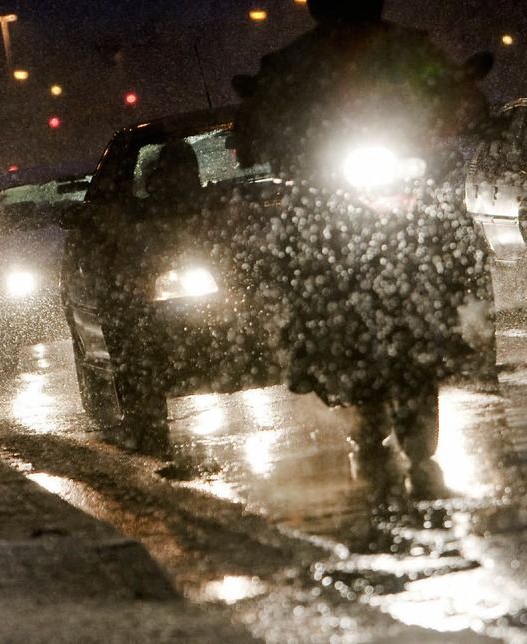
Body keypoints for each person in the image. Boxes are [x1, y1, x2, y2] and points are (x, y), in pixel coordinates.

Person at [233, 0, 495, 498]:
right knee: (295, 241)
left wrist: (461, 101)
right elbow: (256, 125)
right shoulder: (293, 62)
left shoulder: (410, 48)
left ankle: (468, 323)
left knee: (456, 231)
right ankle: (304, 340)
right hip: (333, 188)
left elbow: (459, 97)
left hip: (406, 176)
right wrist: (268, 129)